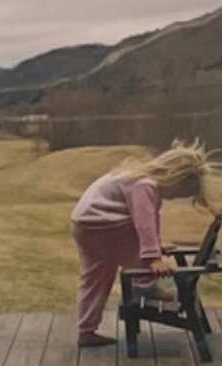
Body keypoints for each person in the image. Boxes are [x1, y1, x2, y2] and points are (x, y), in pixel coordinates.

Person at [71, 141, 212, 346]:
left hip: (84, 226)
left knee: (94, 279)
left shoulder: (137, 177)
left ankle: (86, 330)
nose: (172, 198)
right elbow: (144, 224)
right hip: (102, 226)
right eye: (176, 193)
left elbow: (147, 222)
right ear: (174, 178)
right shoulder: (145, 185)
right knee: (136, 256)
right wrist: (153, 258)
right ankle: (145, 286)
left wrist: (156, 244)